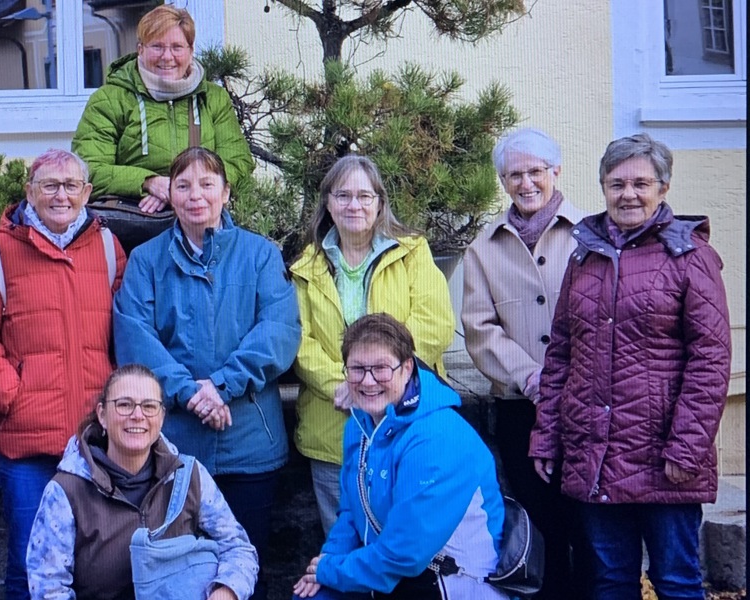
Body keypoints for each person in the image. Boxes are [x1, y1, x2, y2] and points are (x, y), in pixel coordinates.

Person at [529, 133, 731, 599]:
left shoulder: (691, 257)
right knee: (610, 582)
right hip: (594, 453)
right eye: (617, 183)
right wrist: (548, 436)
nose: (628, 194)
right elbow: (561, 353)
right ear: (603, 186)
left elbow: (710, 360)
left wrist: (687, 449)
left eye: (641, 183)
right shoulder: (585, 255)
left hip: (665, 458)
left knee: (676, 582)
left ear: (663, 188)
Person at [113, 146, 300, 600]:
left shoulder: (260, 254)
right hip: (175, 443)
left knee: (245, 571)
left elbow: (279, 330)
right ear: (170, 196)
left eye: (206, 183)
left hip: (249, 442)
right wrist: (187, 392)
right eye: (183, 185)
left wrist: (221, 385)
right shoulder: (146, 260)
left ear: (226, 192)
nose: (195, 195)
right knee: (175, 574)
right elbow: (134, 335)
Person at [0, 148, 127, 600]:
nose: (61, 195)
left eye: (71, 185)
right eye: (50, 186)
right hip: (26, 443)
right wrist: (7, 391)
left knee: (96, 567)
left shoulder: (106, 247)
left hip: (96, 441)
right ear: (29, 193)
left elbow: (126, 331)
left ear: (87, 193)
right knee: (29, 566)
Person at [290, 154, 455, 535]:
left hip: (407, 420)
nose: (354, 205)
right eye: (343, 195)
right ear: (328, 203)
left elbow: (434, 323)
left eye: (365, 196)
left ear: (380, 203)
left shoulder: (412, 251)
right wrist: (344, 384)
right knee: (344, 537)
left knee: (411, 537)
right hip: (334, 426)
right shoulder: (306, 268)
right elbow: (299, 340)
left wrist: (379, 380)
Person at [293, 313, 507, 600]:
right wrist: (325, 565)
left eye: (381, 368)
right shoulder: (360, 423)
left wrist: (330, 570)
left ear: (407, 368)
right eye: (357, 369)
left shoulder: (436, 436)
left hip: (449, 580)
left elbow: (406, 553)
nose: (368, 382)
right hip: (392, 571)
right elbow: (349, 515)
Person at [461, 128, 588, 599]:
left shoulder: (590, 236)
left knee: (589, 524)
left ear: (556, 172)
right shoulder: (483, 248)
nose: (526, 182)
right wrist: (529, 375)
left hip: (584, 405)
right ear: (503, 181)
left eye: (536, 171)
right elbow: (479, 326)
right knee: (539, 524)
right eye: (515, 174)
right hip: (521, 407)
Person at [25, 364, 258, 600]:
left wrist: (227, 591)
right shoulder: (67, 490)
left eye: (149, 406)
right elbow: (48, 586)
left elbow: (238, 548)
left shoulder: (189, 476)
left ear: (161, 416)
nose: (138, 415)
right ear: (102, 415)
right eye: (124, 405)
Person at [72, 5, 254, 249]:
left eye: (177, 47)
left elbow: (238, 161)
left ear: (191, 51)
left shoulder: (213, 98)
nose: (167, 57)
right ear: (140, 50)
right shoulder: (110, 99)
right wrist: (148, 182)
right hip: (131, 228)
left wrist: (184, 189)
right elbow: (86, 169)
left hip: (202, 220)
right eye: (157, 46)